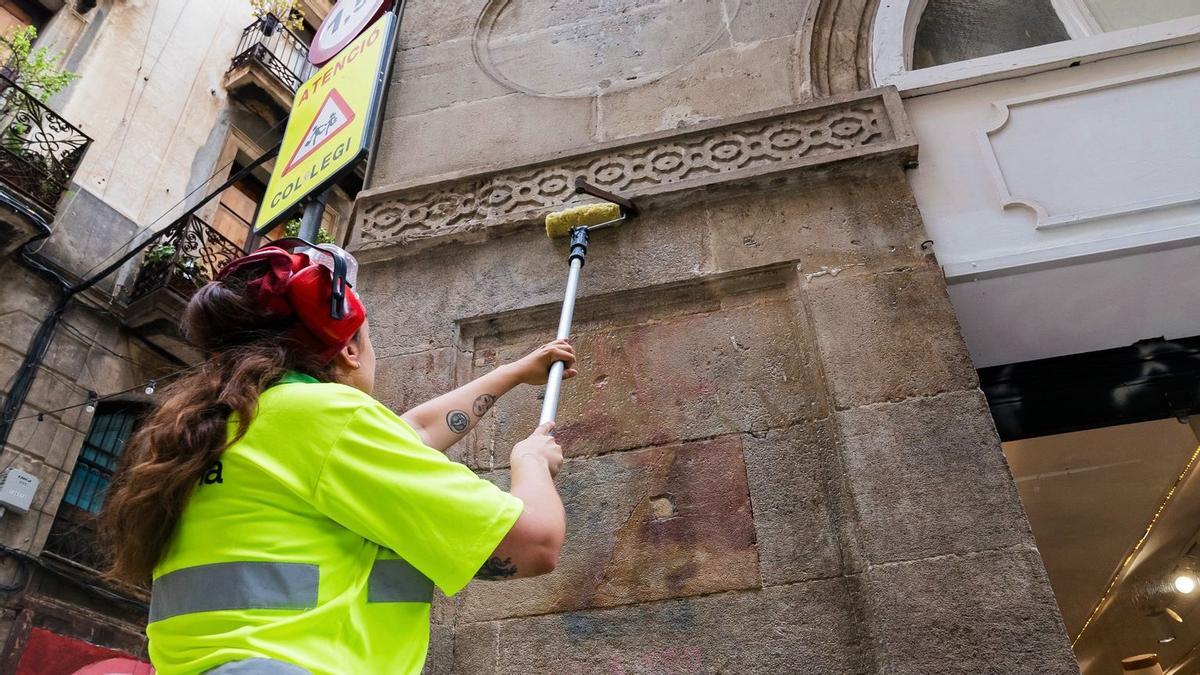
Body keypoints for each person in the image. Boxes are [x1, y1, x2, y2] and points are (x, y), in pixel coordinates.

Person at [99, 239, 575, 675]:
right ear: (349, 347)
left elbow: (410, 434)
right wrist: (530, 462)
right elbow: (532, 546)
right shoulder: (324, 418)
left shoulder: (217, 429)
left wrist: (512, 373)